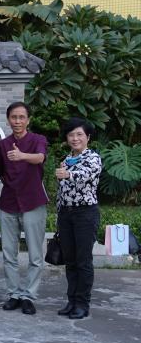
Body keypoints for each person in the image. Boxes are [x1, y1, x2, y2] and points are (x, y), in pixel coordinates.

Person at [0, 102, 48, 315]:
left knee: (35, 255)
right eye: (13, 117)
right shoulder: (2, 144)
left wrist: (22, 156)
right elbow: (0, 170)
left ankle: (29, 296)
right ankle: (14, 294)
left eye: (21, 117)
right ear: (8, 120)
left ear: (28, 119)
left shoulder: (38, 140)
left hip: (33, 202)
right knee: (9, 253)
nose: (17, 121)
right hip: (8, 203)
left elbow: (40, 158)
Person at [55, 118, 102, 320]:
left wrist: (67, 174)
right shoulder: (67, 159)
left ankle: (83, 304)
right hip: (66, 214)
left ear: (88, 137)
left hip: (85, 213)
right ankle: (72, 301)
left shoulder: (93, 158)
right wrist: (59, 214)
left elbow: (84, 175)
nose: (75, 138)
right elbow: (62, 191)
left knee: (83, 261)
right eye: (71, 135)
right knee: (70, 261)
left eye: (79, 134)